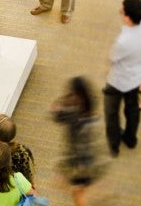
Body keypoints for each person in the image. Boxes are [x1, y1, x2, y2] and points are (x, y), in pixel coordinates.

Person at [103, 0, 141, 157]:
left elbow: (113, 57)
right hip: (136, 77)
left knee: (111, 113)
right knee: (132, 109)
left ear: (128, 18)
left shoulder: (123, 41)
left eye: (122, 10)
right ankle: (131, 139)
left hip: (118, 81)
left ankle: (114, 145)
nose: (121, 11)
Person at [51, 77, 105, 206]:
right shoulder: (76, 110)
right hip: (79, 163)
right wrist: (65, 100)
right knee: (78, 195)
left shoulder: (86, 122)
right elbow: (56, 115)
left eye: (72, 93)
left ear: (79, 95)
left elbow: (83, 152)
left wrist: (67, 173)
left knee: (78, 195)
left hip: (82, 166)